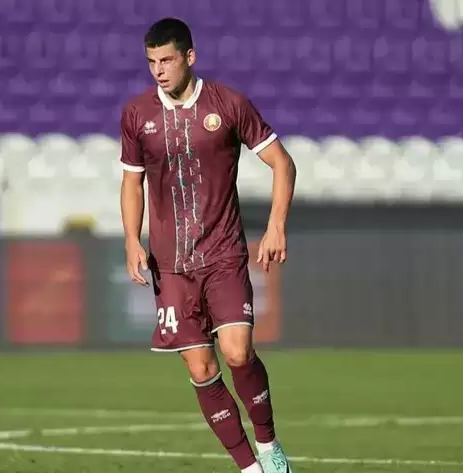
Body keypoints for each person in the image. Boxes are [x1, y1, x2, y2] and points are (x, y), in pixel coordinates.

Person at [118, 17, 297, 473]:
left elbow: (282, 163)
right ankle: (250, 469)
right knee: (201, 370)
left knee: (237, 352)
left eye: (167, 60)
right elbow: (132, 182)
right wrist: (131, 239)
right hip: (170, 266)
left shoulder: (228, 104)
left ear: (190, 57)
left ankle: (269, 446)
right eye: (151, 62)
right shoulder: (137, 114)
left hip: (223, 254)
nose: (158, 70)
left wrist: (276, 225)